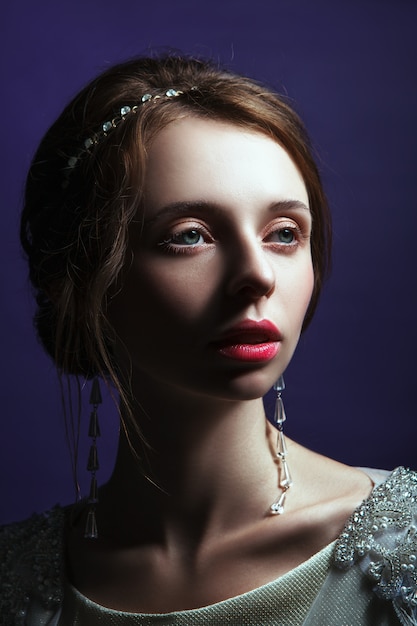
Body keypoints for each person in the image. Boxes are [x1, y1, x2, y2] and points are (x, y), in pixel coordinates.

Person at [0, 54, 416, 626]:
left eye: (284, 234)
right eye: (190, 235)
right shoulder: (15, 580)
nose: (257, 274)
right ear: (82, 281)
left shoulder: (403, 552)